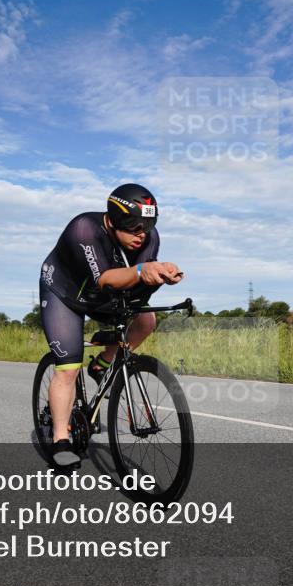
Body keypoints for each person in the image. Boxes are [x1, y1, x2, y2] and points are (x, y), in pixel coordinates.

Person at [39, 183, 183, 467]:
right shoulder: (84, 229)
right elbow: (105, 278)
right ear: (114, 219)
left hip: (102, 295)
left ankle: (102, 364)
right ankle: (60, 439)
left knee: (146, 320)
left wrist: (160, 274)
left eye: (148, 225)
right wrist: (143, 270)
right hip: (65, 295)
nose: (141, 234)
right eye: (134, 227)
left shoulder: (148, 238)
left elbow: (136, 283)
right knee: (68, 368)